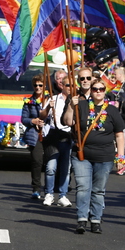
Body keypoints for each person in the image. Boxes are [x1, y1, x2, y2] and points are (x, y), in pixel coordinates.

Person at [62, 79, 125, 234]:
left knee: (98, 190)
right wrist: (71, 106)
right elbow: (68, 121)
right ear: (90, 90)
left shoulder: (112, 110)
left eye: (101, 89)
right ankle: (82, 219)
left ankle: (96, 219)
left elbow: (119, 135)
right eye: (95, 89)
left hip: (105, 156)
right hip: (82, 155)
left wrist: (121, 157)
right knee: (83, 187)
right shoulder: (81, 105)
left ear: (105, 91)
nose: (98, 91)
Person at [41, 69, 72, 207]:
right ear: (62, 86)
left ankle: (63, 195)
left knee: (65, 167)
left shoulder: (77, 100)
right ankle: (49, 193)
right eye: (67, 86)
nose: (70, 88)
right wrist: (48, 108)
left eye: (72, 86)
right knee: (51, 167)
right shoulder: (53, 98)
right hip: (54, 135)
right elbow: (42, 115)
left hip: (68, 136)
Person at [21, 74, 49, 199]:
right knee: (37, 161)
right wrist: (34, 121)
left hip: (49, 133)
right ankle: (36, 188)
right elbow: (24, 119)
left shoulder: (50, 99)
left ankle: (50, 188)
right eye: (35, 85)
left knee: (50, 164)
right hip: (35, 135)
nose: (38, 87)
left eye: (40, 85)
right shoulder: (29, 101)